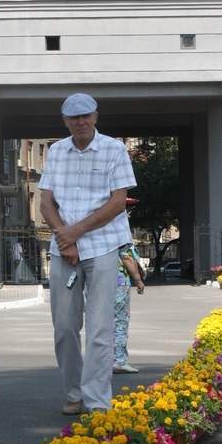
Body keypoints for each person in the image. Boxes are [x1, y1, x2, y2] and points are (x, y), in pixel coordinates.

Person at [39, 92, 137, 413]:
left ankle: (96, 401)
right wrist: (65, 240)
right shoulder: (55, 151)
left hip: (103, 245)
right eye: (73, 118)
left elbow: (117, 201)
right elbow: (46, 202)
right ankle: (73, 393)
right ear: (65, 121)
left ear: (96, 117)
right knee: (64, 327)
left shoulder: (114, 149)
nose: (80, 122)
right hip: (64, 248)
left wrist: (75, 234)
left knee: (99, 329)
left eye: (86, 116)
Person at [113, 244, 145, 374]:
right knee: (120, 322)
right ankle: (119, 361)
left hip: (101, 282)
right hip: (119, 284)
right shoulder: (121, 236)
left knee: (105, 323)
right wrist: (138, 280)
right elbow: (127, 259)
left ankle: (105, 360)